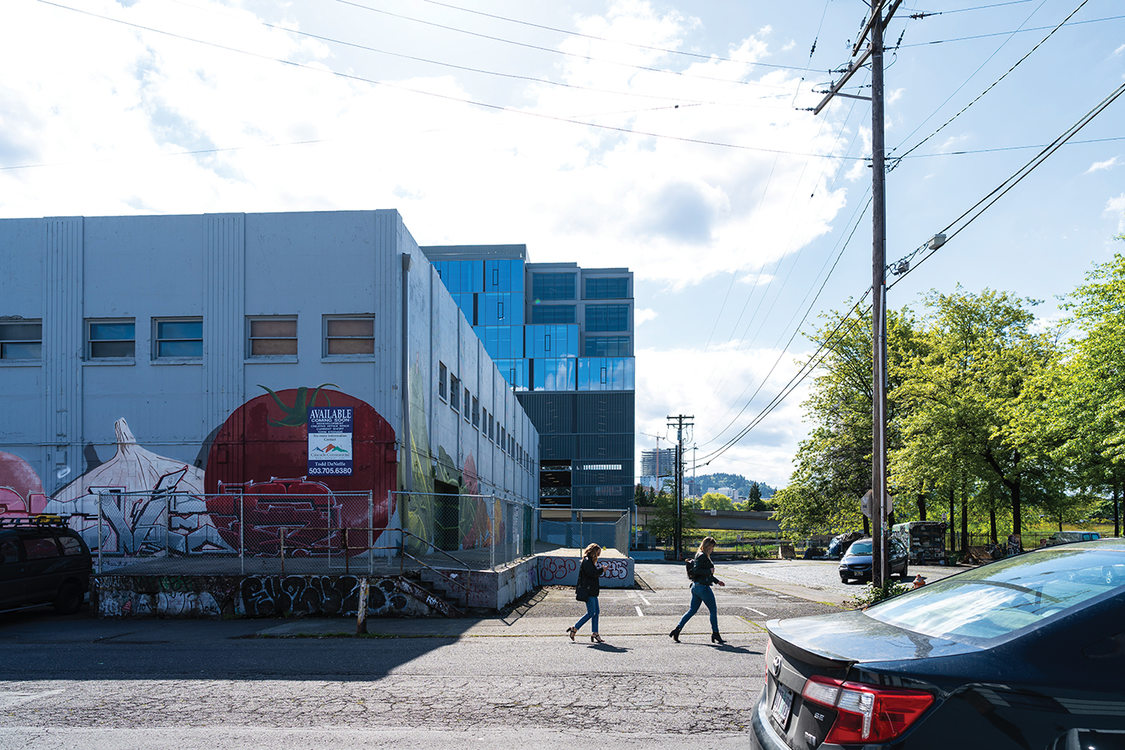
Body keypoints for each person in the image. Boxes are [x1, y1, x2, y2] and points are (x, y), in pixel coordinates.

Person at [669, 536, 726, 644]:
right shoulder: (702, 556)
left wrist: (717, 581)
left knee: (692, 610)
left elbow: (705, 574)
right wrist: (710, 570)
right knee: (713, 610)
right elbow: (697, 570)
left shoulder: (699, 555)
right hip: (703, 588)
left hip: (696, 587)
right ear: (708, 546)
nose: (713, 549)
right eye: (712, 547)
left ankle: (677, 630)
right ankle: (715, 633)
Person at [567, 543, 606, 643]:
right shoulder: (587, 561)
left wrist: (600, 570)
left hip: (592, 591)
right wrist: (602, 569)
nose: (598, 555)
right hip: (588, 591)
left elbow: (592, 573)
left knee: (596, 612)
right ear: (593, 552)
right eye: (598, 553)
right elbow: (592, 574)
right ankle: (574, 628)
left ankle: (595, 633)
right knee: (591, 613)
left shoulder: (590, 561)